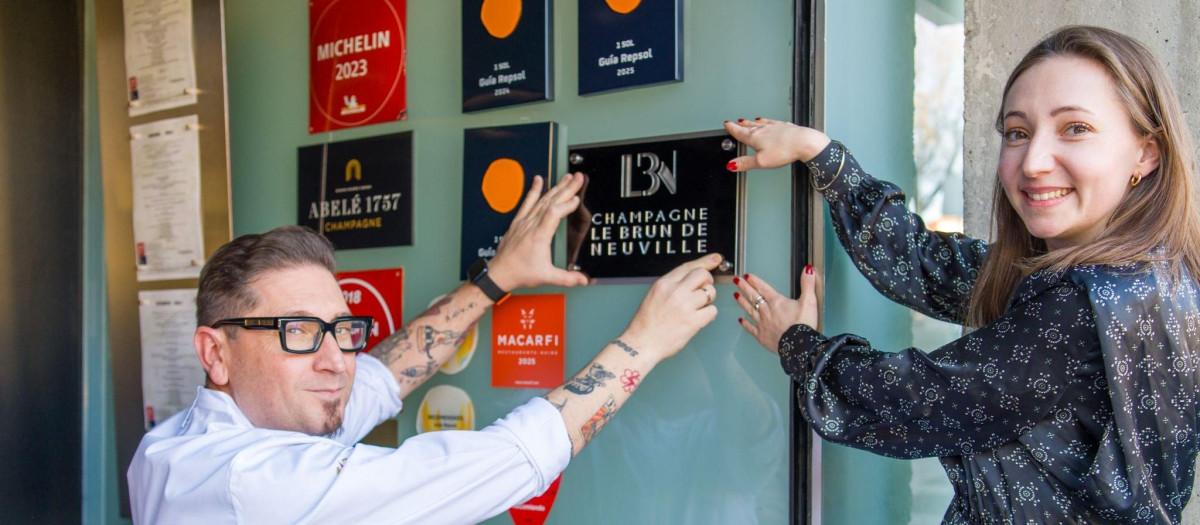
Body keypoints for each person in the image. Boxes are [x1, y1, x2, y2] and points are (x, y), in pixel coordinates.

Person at [724, 26, 1200, 523]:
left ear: (1147, 152)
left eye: (1075, 128)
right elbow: (931, 265)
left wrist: (795, 342)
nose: (1033, 162)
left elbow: (914, 400)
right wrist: (823, 156)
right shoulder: (1153, 275)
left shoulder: (1088, 303)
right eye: (1017, 132)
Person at [127, 172, 723, 524]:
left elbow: (383, 376)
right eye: (299, 332)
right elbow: (504, 462)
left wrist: (496, 280)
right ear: (216, 353)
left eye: (340, 329)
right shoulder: (253, 481)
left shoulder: (173, 446)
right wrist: (643, 343)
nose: (336, 359)